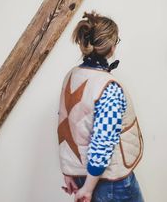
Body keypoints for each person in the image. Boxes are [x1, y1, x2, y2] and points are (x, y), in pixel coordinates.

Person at [57, 11, 144, 202]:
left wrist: (69, 172)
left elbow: (66, 127)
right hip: (108, 182)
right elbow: (103, 142)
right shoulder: (108, 87)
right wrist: (88, 189)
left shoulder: (72, 76)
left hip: (82, 174)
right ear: (112, 47)